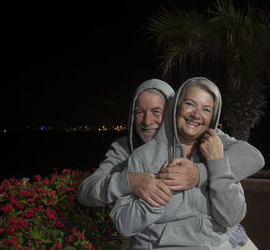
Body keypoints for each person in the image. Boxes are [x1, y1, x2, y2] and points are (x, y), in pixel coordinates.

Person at [77, 78, 264, 249]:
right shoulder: (125, 151)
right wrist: (130, 181)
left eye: (156, 112)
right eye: (139, 113)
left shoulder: (212, 142)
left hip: (220, 238)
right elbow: (89, 192)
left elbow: (252, 156)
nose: (147, 121)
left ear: (171, 110)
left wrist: (200, 173)